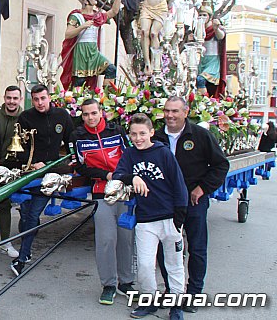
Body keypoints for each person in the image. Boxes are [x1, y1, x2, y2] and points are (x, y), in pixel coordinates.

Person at [154, 96, 229, 313]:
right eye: (167, 111)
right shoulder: (156, 137)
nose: (170, 115)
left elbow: (220, 165)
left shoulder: (200, 135)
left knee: (196, 248)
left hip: (194, 200)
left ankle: (194, 292)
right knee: (166, 248)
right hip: (166, 203)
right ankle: (171, 290)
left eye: (175, 111)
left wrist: (202, 188)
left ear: (186, 112)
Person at [112, 113, 188, 320]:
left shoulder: (163, 154)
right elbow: (118, 175)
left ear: (151, 133)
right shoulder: (129, 155)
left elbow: (179, 184)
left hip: (169, 217)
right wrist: (133, 177)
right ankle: (149, 301)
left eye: (142, 133)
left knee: (174, 264)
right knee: (145, 265)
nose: (138, 138)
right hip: (145, 219)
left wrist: (178, 218)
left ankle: (176, 305)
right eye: (134, 134)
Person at [71, 99, 135, 305]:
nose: (90, 118)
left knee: (126, 237)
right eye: (86, 114)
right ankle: (108, 284)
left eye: (93, 113)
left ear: (101, 113)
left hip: (124, 190)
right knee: (106, 239)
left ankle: (126, 282)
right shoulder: (77, 136)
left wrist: (122, 176)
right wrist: (105, 175)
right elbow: (80, 167)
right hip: (101, 191)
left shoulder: (116, 131)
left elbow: (130, 155)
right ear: (82, 116)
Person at [10, 84, 74, 276]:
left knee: (33, 214)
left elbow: (72, 140)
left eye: (43, 98)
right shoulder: (25, 118)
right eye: (36, 99)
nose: (39, 103)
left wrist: (74, 161)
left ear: (49, 97)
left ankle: (22, 257)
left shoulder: (62, 115)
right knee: (28, 214)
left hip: (52, 172)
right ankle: (26, 248)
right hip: (31, 172)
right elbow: (18, 148)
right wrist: (33, 163)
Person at [60, 0, 121, 90]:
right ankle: (74, 103)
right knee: (80, 81)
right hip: (81, 52)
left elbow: (114, 11)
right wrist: (82, 27)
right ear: (85, 0)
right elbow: (68, 34)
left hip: (93, 52)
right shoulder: (76, 16)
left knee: (111, 69)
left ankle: (107, 97)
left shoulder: (97, 15)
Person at [0, 85, 24, 258]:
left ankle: (7, 241)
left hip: (18, 168)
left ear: (20, 99)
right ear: (4, 98)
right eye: (9, 98)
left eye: (15, 98)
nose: (12, 101)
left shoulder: (26, 118)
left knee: (8, 204)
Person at [195, 3, 226, 97]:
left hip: (212, 61)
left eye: (204, 15)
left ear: (210, 16)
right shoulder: (197, 30)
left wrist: (216, 29)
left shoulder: (214, 28)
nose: (202, 17)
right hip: (201, 60)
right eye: (200, 15)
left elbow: (221, 36)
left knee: (200, 79)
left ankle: (204, 100)